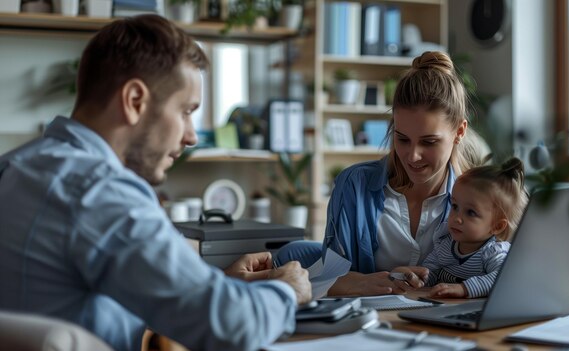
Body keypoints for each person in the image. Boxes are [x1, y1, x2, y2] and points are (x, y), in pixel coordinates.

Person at [0, 15, 311, 351]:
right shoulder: (98, 190)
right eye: (185, 111)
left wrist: (216, 284)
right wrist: (287, 290)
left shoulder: (15, 166)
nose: (191, 136)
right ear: (135, 101)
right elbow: (231, 326)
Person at [276, 51, 490, 296]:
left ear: (459, 132)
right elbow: (329, 277)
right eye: (403, 139)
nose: (412, 156)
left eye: (429, 142)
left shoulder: (479, 201)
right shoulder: (353, 186)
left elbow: (490, 274)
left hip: (444, 325)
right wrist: (365, 282)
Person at [419, 157, 528, 298]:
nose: (456, 218)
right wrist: (419, 279)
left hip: (475, 312)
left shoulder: (492, 252)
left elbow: (504, 278)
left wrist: (464, 289)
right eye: (455, 206)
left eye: (471, 212)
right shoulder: (445, 243)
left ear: (497, 226)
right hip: (443, 308)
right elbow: (430, 271)